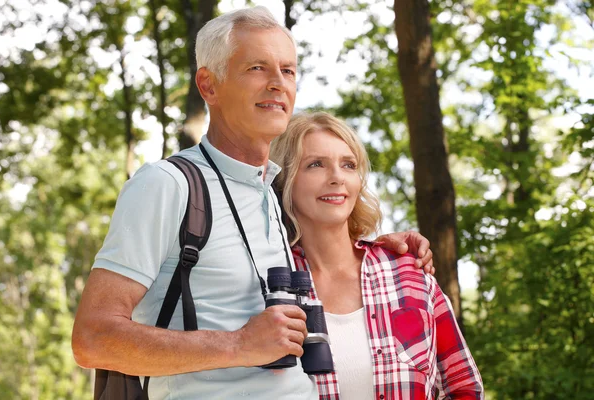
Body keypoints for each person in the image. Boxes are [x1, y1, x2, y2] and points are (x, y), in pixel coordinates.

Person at [72, 6, 433, 400]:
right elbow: (93, 338)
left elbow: (328, 243)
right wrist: (238, 345)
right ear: (208, 86)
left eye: (288, 70)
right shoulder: (167, 185)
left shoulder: (272, 194)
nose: (278, 83)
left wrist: (384, 246)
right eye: (257, 68)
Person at [270, 112, 484, 400]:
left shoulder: (409, 272)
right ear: (285, 179)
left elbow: (465, 387)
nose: (337, 178)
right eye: (315, 164)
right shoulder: (271, 286)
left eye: (348, 165)